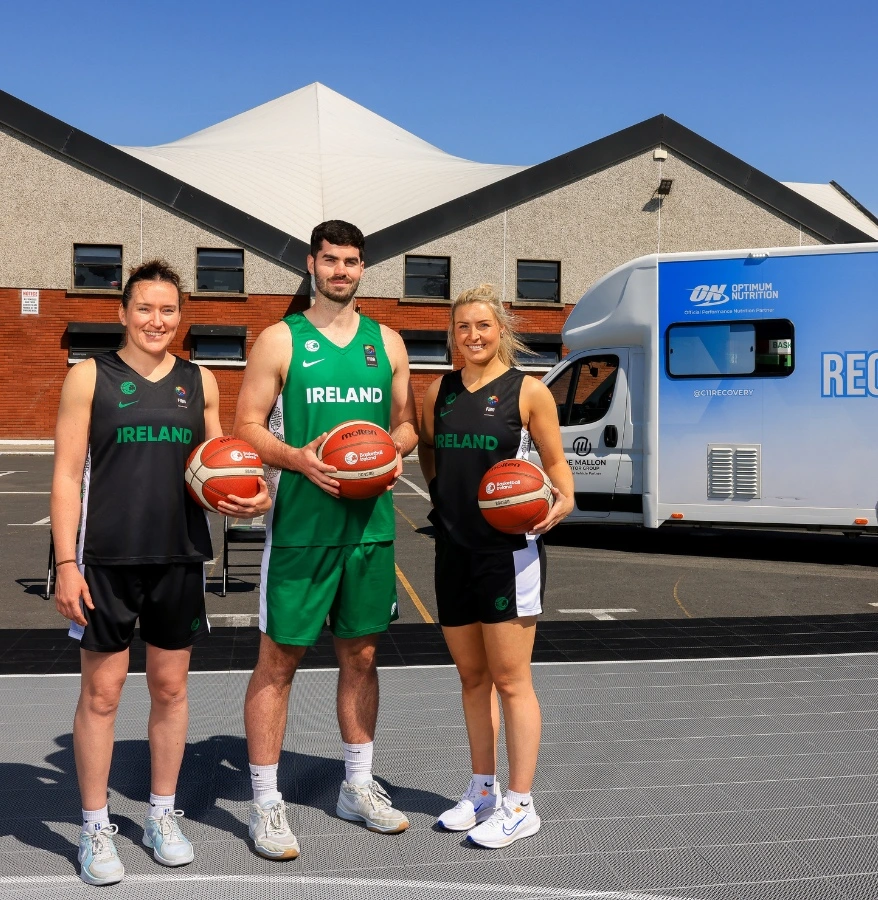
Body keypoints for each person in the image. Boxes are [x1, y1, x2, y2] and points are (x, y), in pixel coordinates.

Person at [50, 260, 271, 886]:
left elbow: (215, 468)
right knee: (102, 693)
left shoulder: (199, 381)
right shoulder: (90, 376)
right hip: (106, 561)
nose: (156, 320)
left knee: (171, 690)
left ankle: (161, 816)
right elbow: (67, 477)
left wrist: (249, 497)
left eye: (168, 310)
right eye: (145, 308)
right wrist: (66, 563)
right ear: (123, 313)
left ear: (181, 316)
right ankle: (96, 827)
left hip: (179, 557)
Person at [233, 220, 418, 860]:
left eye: (352, 261)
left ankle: (357, 788)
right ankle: (265, 803)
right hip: (302, 533)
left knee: (361, 657)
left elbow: (407, 425)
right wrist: (298, 459)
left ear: (363, 268)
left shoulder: (387, 341)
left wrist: (389, 451)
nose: (341, 270)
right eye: (331, 260)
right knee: (277, 663)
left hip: (369, 530)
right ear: (312, 264)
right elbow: (246, 428)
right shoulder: (280, 339)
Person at [417, 284, 574, 848]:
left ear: (500, 329)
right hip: (452, 549)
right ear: (452, 334)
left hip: (508, 555)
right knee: (471, 678)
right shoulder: (437, 390)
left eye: (482, 325)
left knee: (511, 681)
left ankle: (521, 802)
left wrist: (563, 500)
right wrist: (439, 490)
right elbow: (428, 449)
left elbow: (556, 466)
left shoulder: (529, 392)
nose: (473, 336)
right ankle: (482, 791)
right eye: (462, 327)